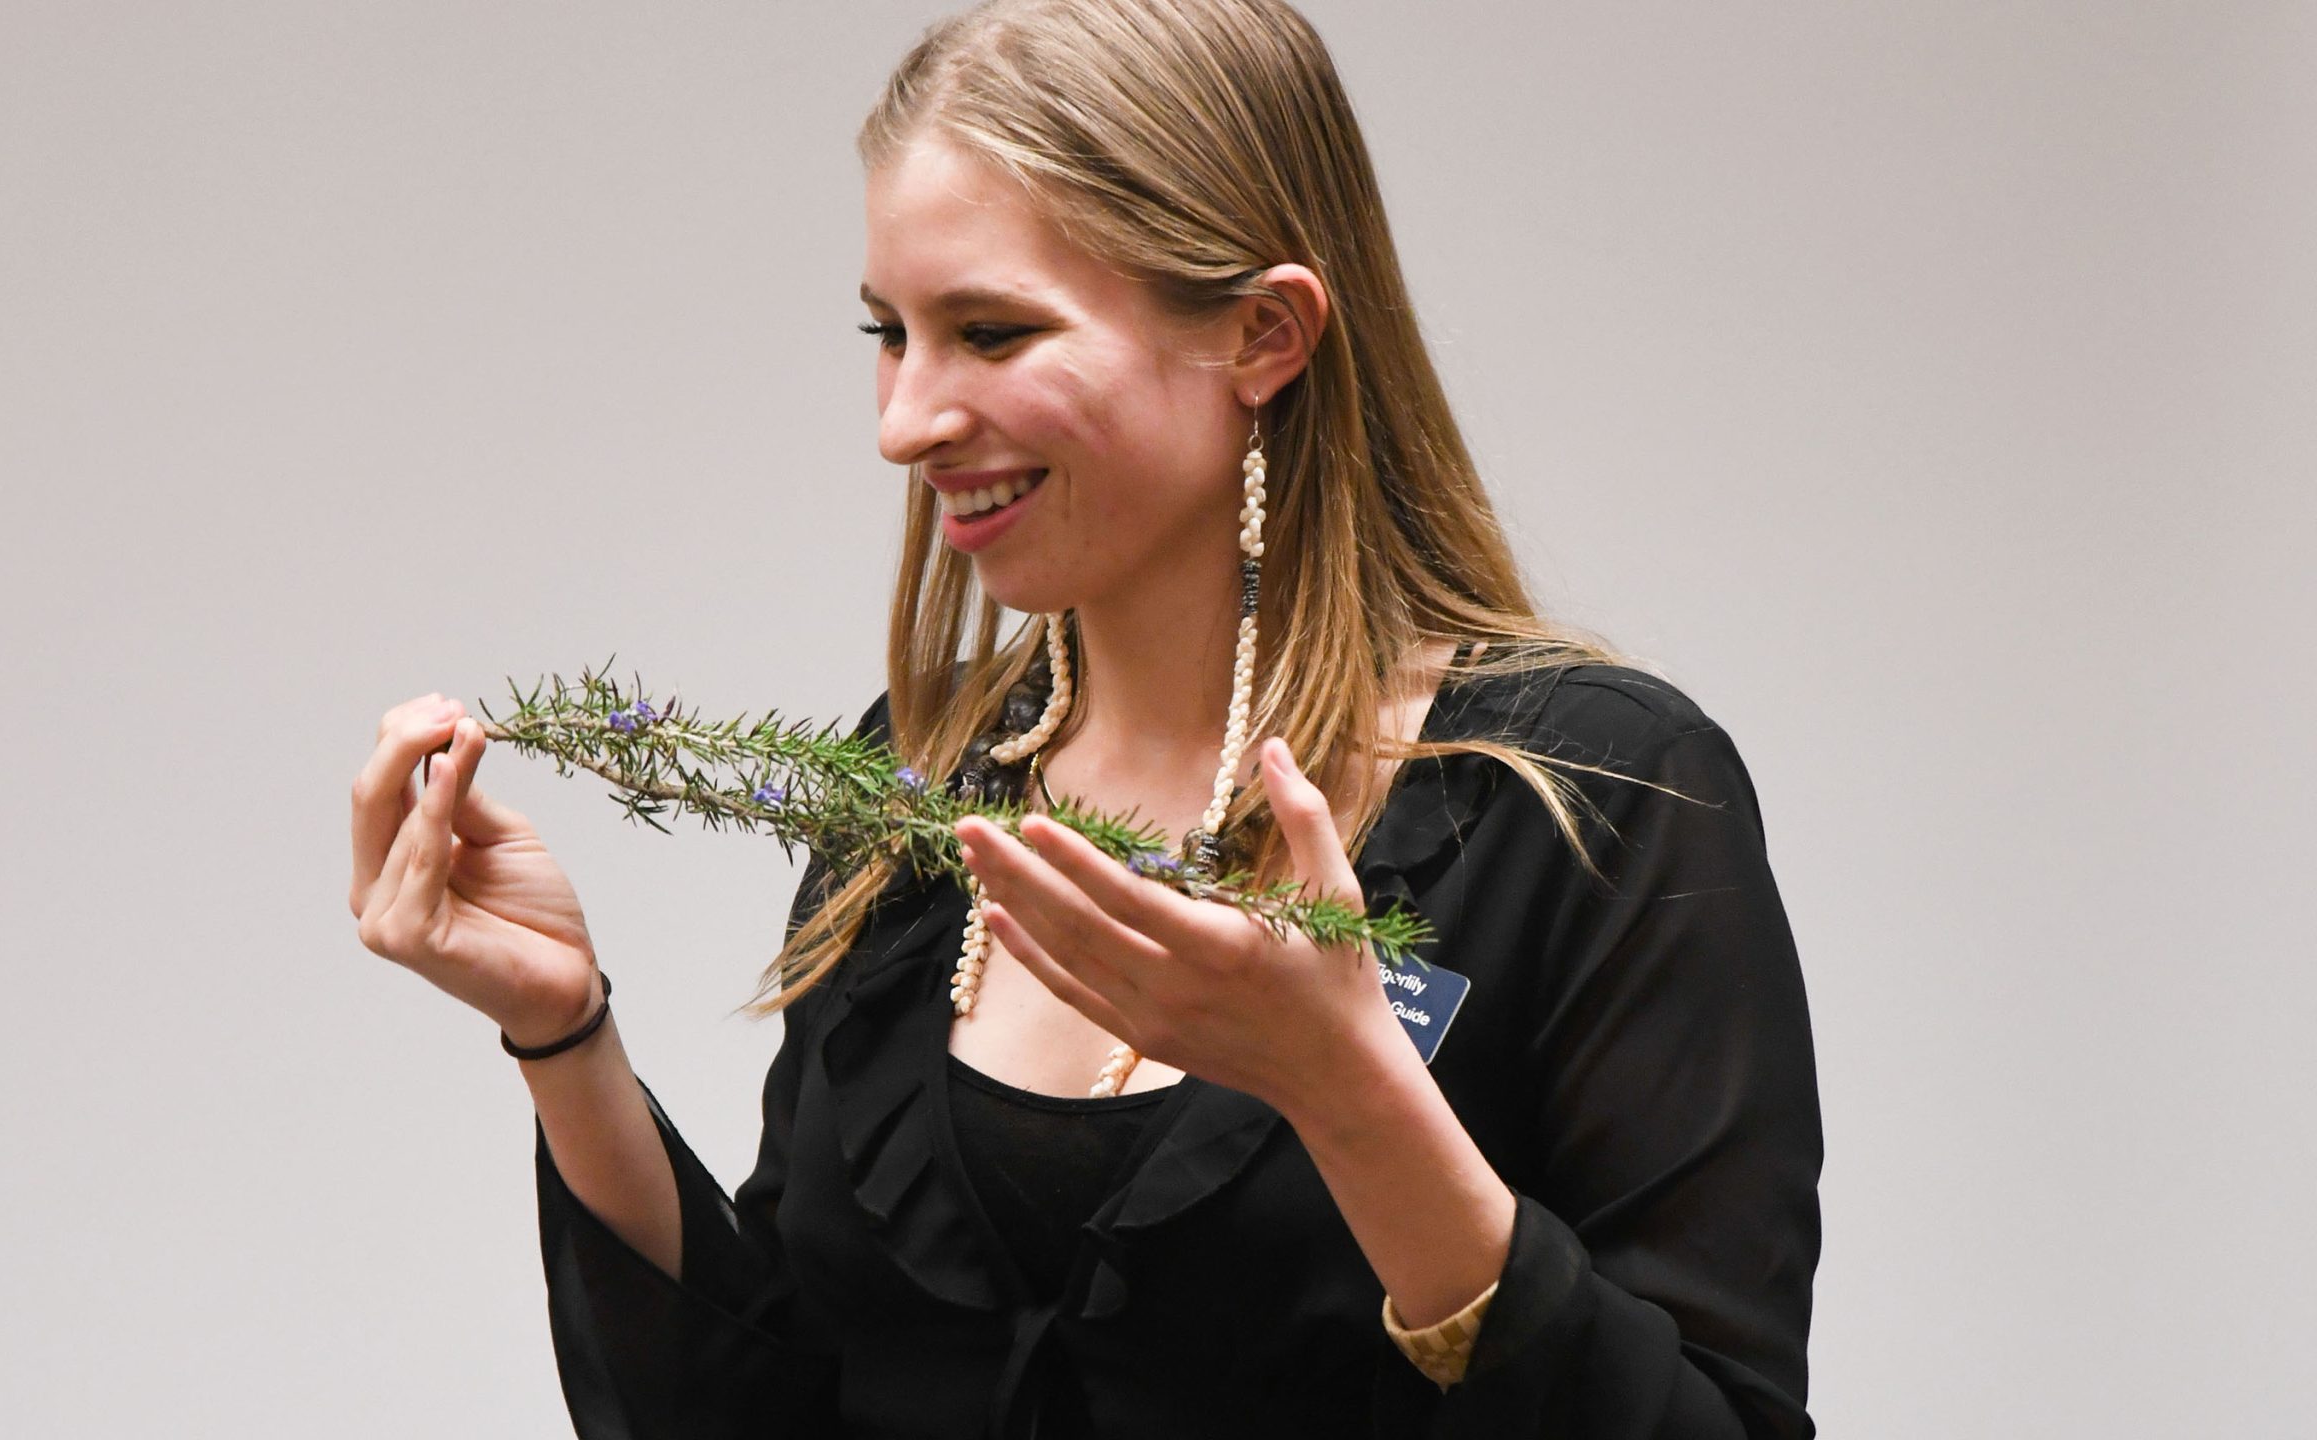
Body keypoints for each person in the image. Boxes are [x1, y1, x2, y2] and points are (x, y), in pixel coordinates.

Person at [348, 0, 1823, 1434]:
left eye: (990, 333)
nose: (904, 420)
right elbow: (773, 1406)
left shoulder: (1597, 800)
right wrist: (565, 1037)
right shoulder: (919, 792)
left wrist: (1348, 1094)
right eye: (891, 333)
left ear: (1262, 334)